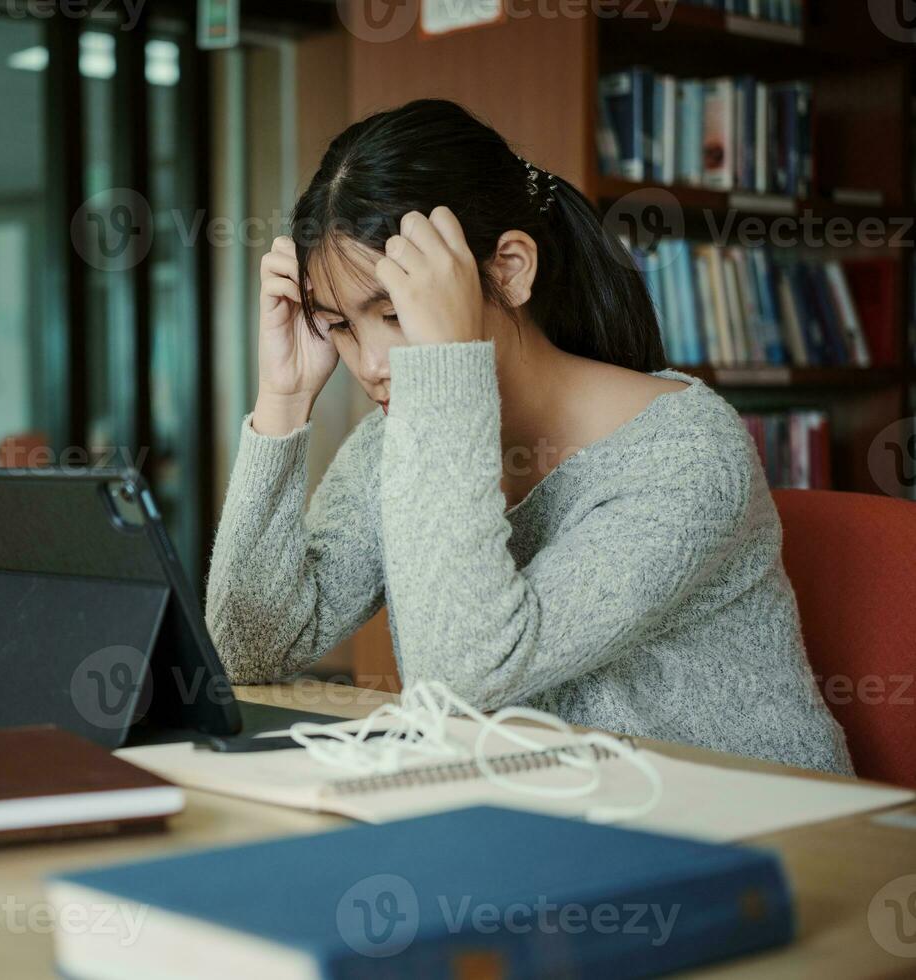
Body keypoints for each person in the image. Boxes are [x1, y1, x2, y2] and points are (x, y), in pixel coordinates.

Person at [204, 99, 852, 774]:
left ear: (510, 269)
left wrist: (444, 376)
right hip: (542, 814)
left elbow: (462, 678)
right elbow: (251, 651)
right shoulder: (396, 442)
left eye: (395, 313)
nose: (368, 366)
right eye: (341, 325)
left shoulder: (686, 450)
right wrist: (283, 398)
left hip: (761, 826)